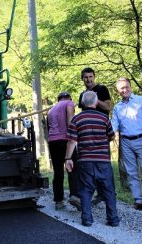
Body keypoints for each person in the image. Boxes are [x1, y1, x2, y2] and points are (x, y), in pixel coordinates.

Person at [65, 91, 119, 227]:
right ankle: (113, 219)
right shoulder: (104, 118)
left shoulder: (76, 119)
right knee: (108, 190)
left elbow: (71, 141)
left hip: (85, 161)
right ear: (96, 102)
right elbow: (111, 136)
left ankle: (87, 219)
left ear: (83, 103)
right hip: (103, 160)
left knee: (85, 190)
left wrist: (68, 159)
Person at [111, 77, 142, 212]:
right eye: (121, 88)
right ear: (118, 91)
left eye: (126, 87)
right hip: (125, 141)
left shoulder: (141, 101)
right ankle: (138, 200)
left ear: (130, 87)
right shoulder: (117, 107)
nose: (124, 90)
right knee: (131, 172)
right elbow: (114, 124)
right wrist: (109, 134)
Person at [78, 67, 111, 205]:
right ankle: (94, 192)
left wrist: (96, 101)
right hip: (86, 133)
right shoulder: (82, 95)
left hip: (101, 132)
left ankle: (106, 193)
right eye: (86, 77)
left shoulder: (102, 89)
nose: (88, 79)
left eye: (90, 77)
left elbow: (108, 107)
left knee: (102, 164)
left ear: (94, 77)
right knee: (88, 164)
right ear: (82, 79)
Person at [47, 91, 80, 210]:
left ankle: (58, 201)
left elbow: (48, 128)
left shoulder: (51, 110)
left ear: (58, 99)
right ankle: (74, 195)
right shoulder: (69, 103)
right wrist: (73, 138)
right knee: (73, 167)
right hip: (65, 139)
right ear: (69, 98)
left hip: (53, 141)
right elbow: (70, 121)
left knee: (58, 171)